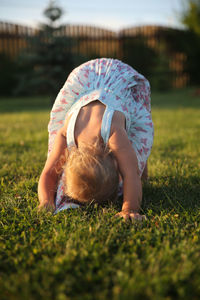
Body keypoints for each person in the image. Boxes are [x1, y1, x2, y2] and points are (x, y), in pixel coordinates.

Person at [38, 58, 154, 221]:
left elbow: (130, 174)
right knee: (129, 156)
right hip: (90, 85)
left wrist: (130, 208)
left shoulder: (114, 133)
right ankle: (138, 165)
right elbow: (49, 173)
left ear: (115, 162)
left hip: (118, 82)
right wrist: (45, 201)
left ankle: (145, 172)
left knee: (133, 155)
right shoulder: (66, 132)